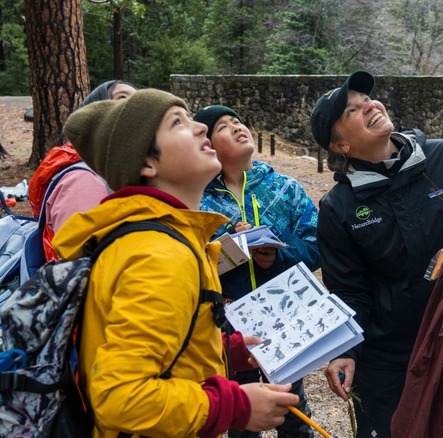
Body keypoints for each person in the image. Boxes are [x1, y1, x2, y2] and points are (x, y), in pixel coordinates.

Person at [54, 89, 299, 437]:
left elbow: (162, 352)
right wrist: (236, 406)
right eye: (178, 123)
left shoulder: (155, 238)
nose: (200, 127)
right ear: (147, 164)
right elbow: (120, 398)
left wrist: (224, 351)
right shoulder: (158, 254)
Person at [310, 71, 443, 437]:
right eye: (352, 110)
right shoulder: (339, 207)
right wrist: (347, 352)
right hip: (387, 357)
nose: (369, 106)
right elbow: (349, 291)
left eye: (366, 99)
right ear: (340, 146)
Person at [194, 104, 319, 438]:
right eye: (223, 126)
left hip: (286, 316)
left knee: (292, 405)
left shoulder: (284, 188)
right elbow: (192, 265)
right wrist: (227, 247)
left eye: (238, 120)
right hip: (230, 323)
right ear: (208, 145)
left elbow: (317, 244)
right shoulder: (200, 202)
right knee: (242, 413)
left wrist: (277, 257)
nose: (237, 126)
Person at [28, 79, 137, 263]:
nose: (137, 107)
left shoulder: (118, 174)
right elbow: (84, 268)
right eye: (123, 98)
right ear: (95, 116)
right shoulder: (83, 181)